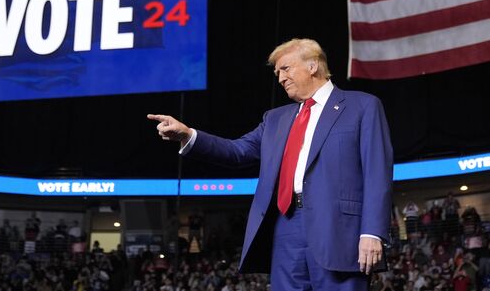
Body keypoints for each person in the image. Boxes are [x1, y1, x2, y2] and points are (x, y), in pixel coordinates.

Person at [148, 38, 393, 291]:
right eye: (277, 73)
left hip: (339, 230)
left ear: (312, 66)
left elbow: (377, 173)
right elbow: (237, 152)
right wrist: (188, 135)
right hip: (284, 227)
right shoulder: (275, 119)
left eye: (285, 68)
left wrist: (372, 232)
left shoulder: (362, 106)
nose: (280, 78)